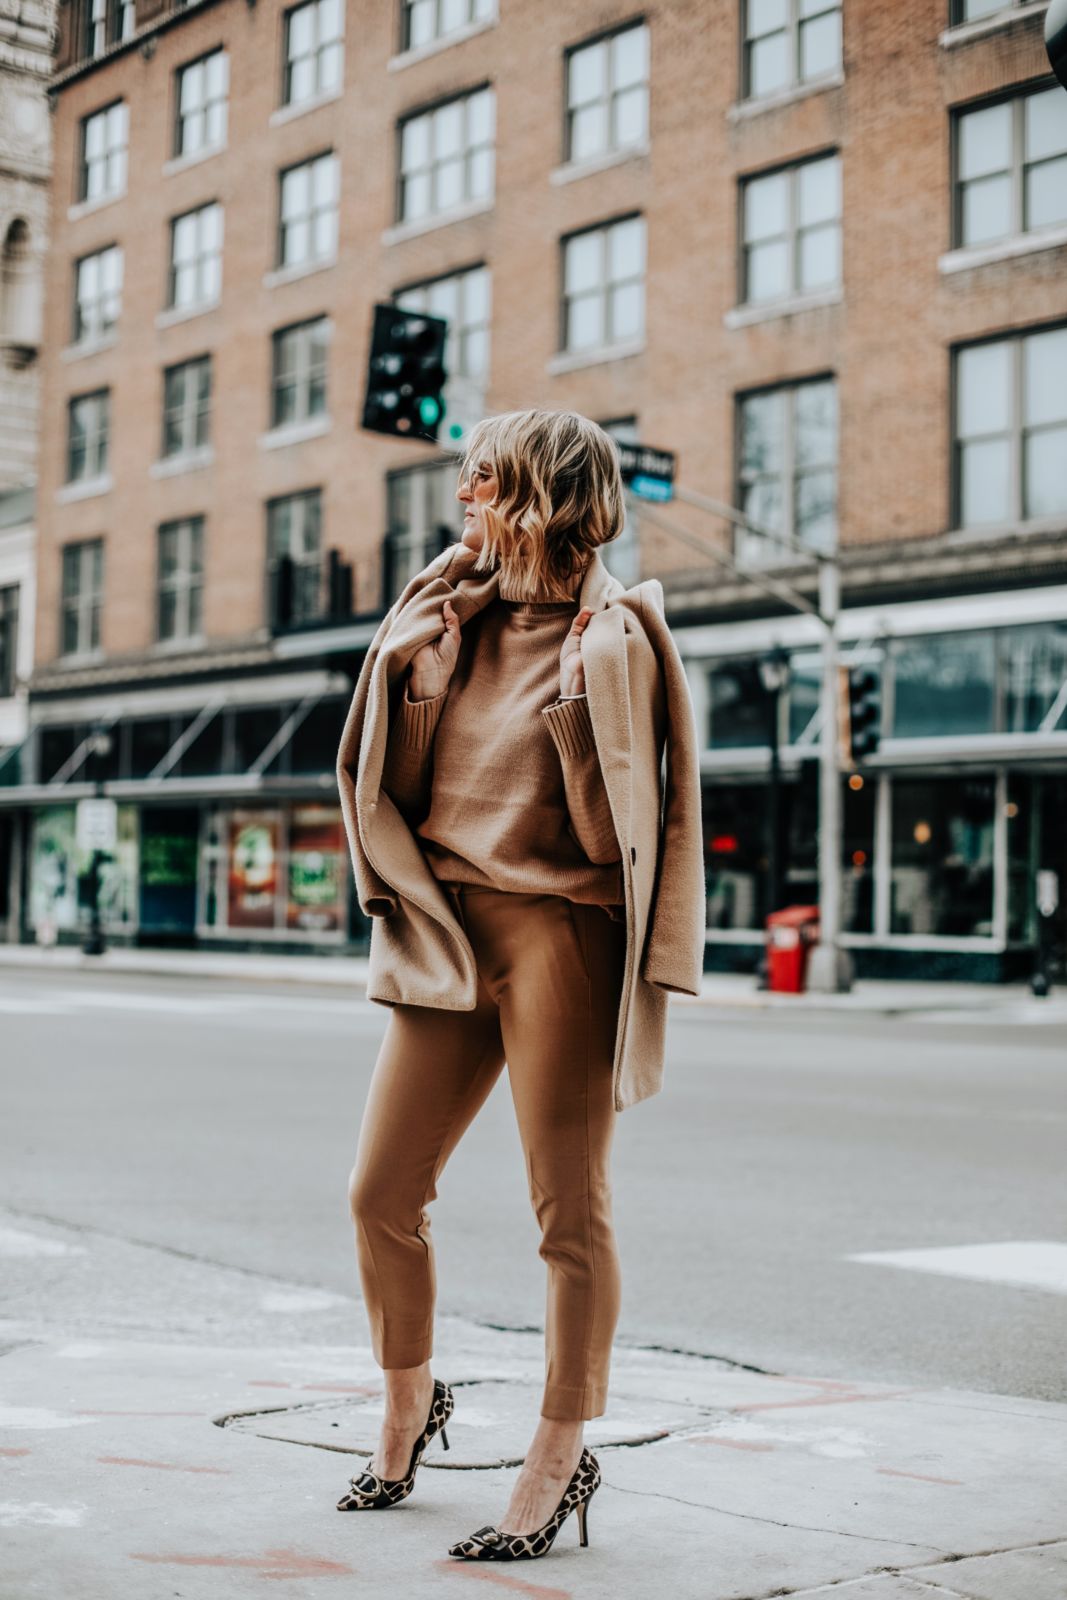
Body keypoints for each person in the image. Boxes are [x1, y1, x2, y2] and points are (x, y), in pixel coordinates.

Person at [334, 408, 706, 1561]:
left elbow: (612, 835)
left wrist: (575, 701)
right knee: (379, 1192)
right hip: (450, 931)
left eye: (480, 481)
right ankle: (409, 1407)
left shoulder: (615, 637)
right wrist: (418, 639)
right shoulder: (442, 615)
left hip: (561, 935)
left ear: (537, 494)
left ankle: (557, 1451)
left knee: (567, 1212)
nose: (462, 502)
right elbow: (376, 774)